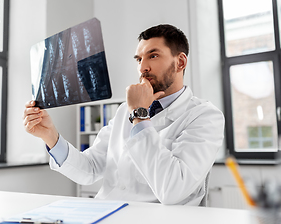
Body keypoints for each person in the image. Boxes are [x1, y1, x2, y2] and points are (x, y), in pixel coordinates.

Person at [23, 24, 225, 205]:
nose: (142, 68)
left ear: (180, 62)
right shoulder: (124, 111)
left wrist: (139, 116)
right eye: (139, 59)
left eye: (153, 56)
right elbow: (90, 168)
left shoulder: (205, 116)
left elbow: (172, 190)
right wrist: (50, 136)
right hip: (108, 212)